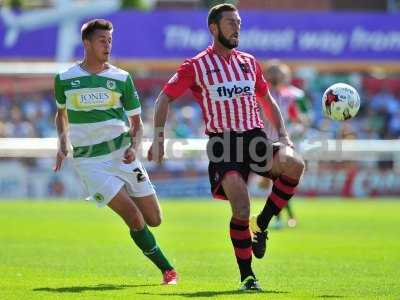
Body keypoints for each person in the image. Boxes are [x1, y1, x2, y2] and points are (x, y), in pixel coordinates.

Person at [147, 4, 305, 291]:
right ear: (214, 28)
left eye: (239, 22)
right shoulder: (195, 66)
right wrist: (158, 139)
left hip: (255, 137)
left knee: (295, 164)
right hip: (224, 143)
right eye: (231, 22)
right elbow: (163, 99)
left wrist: (283, 134)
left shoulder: (248, 61)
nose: (237, 28)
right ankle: (247, 276)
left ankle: (264, 223)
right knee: (241, 208)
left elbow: (267, 100)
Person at [53, 19, 177, 285]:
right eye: (101, 40)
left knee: (154, 219)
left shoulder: (121, 78)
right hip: (89, 162)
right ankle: (168, 270)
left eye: (109, 40)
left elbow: (136, 122)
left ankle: (144, 235)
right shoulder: (65, 79)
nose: (107, 45)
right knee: (133, 216)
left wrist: (134, 147)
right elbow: (60, 114)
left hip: (121, 154)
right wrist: (63, 143)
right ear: (86, 43)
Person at [257, 60, 312, 229]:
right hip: (276, 144)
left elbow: (299, 118)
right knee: (278, 183)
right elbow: (299, 118)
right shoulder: (289, 96)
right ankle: (281, 217)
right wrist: (301, 124)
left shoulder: (261, 94)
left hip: (268, 143)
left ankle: (281, 217)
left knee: (276, 182)